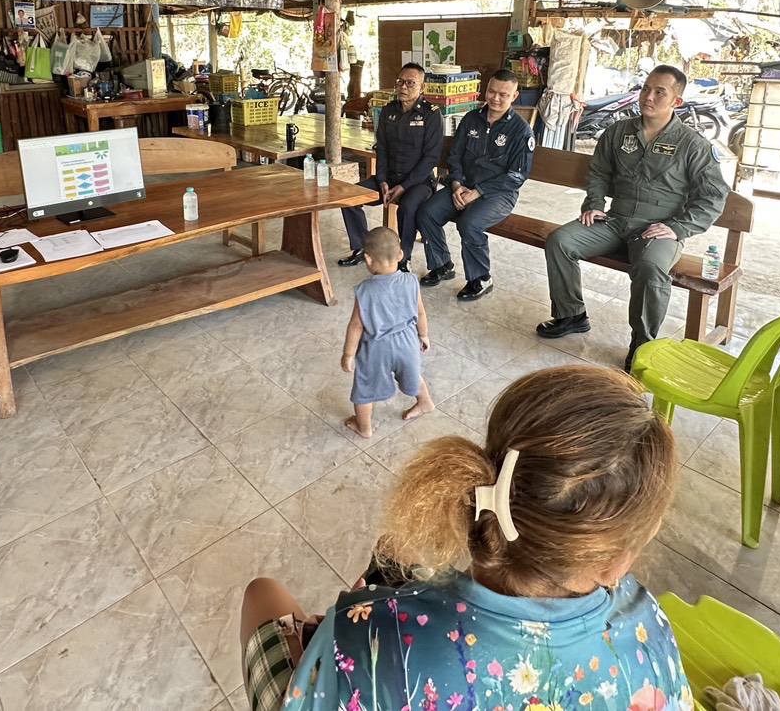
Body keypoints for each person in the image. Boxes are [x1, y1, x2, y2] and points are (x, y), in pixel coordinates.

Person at [236, 365, 690, 711]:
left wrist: (360, 621)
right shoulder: (648, 629)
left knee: (263, 593)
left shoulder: (367, 633)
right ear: (614, 562)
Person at [537, 65, 728, 370]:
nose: (648, 97)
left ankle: (642, 344)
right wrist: (594, 204)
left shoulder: (692, 144)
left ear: (676, 101)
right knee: (561, 241)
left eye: (659, 92)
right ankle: (571, 314)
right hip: (615, 220)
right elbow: (599, 172)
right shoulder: (618, 132)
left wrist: (678, 228)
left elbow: (714, 195)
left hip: (658, 228)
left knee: (651, 268)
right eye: (646, 89)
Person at [416, 69, 535, 301]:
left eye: (503, 94)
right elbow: (455, 156)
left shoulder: (521, 130)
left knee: (469, 224)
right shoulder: (471, 119)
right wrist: (456, 184)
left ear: (514, 96)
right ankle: (442, 264)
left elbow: (517, 176)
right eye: (492, 91)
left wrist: (478, 192)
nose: (495, 98)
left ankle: (481, 278)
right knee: (427, 212)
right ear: (485, 90)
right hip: (463, 186)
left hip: (499, 194)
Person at [338, 63, 442, 270]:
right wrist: (382, 180)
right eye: (400, 82)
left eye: (410, 83)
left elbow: (431, 159)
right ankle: (362, 248)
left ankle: (403, 258)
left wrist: (404, 186)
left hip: (419, 182)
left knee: (408, 207)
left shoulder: (431, 114)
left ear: (422, 87)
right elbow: (382, 149)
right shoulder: (388, 111)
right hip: (389, 179)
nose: (403, 87)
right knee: (349, 197)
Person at [340, 226, 433, 437]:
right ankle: (425, 402)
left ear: (368, 259)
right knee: (412, 374)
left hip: (376, 347)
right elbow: (420, 312)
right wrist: (423, 335)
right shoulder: (411, 281)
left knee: (364, 389)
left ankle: (364, 427)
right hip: (408, 343)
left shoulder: (365, 290)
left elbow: (356, 325)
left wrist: (348, 354)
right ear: (400, 255)